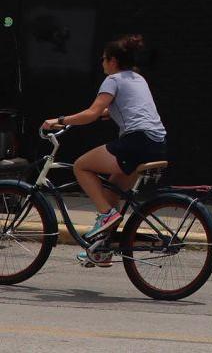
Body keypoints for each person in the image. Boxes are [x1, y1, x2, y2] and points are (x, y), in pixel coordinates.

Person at [44, 34, 166, 241]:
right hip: (157, 143)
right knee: (111, 195)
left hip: (136, 142)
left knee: (81, 166)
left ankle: (106, 215)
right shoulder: (138, 78)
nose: (102, 63)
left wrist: (61, 120)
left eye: (103, 59)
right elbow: (129, 108)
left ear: (113, 61)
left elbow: (91, 113)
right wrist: (109, 114)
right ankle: (103, 248)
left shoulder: (113, 80)